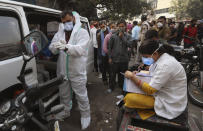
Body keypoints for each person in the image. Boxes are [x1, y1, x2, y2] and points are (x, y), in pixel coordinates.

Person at [124, 40, 187, 120]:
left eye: (146, 57)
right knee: (131, 96)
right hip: (163, 92)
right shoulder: (161, 58)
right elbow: (152, 72)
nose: (144, 59)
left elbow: (150, 90)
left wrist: (132, 77)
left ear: (155, 53)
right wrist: (138, 74)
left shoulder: (165, 65)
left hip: (169, 102)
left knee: (129, 98)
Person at [49, 10, 91, 130]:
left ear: (73, 19)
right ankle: (65, 111)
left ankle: (85, 115)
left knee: (81, 95)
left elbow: (81, 50)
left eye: (68, 21)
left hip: (77, 71)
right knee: (64, 95)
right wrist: (57, 46)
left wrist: (67, 47)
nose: (66, 23)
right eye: (64, 22)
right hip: (63, 71)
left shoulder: (82, 32)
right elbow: (52, 48)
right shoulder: (60, 33)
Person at [108, 19, 132, 93]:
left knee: (122, 75)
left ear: (125, 27)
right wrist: (109, 57)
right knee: (112, 75)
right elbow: (110, 48)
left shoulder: (128, 36)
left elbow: (130, 45)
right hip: (115, 59)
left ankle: (122, 87)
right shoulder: (113, 36)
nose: (121, 28)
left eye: (122, 26)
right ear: (117, 27)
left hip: (124, 59)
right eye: (119, 26)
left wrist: (122, 37)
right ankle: (111, 87)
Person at [97, 20, 110, 85]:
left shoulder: (110, 32)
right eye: (101, 27)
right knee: (104, 67)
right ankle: (104, 80)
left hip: (110, 53)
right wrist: (99, 54)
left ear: (106, 25)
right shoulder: (99, 33)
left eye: (103, 26)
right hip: (103, 53)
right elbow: (99, 45)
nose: (103, 28)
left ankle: (111, 80)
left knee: (110, 67)